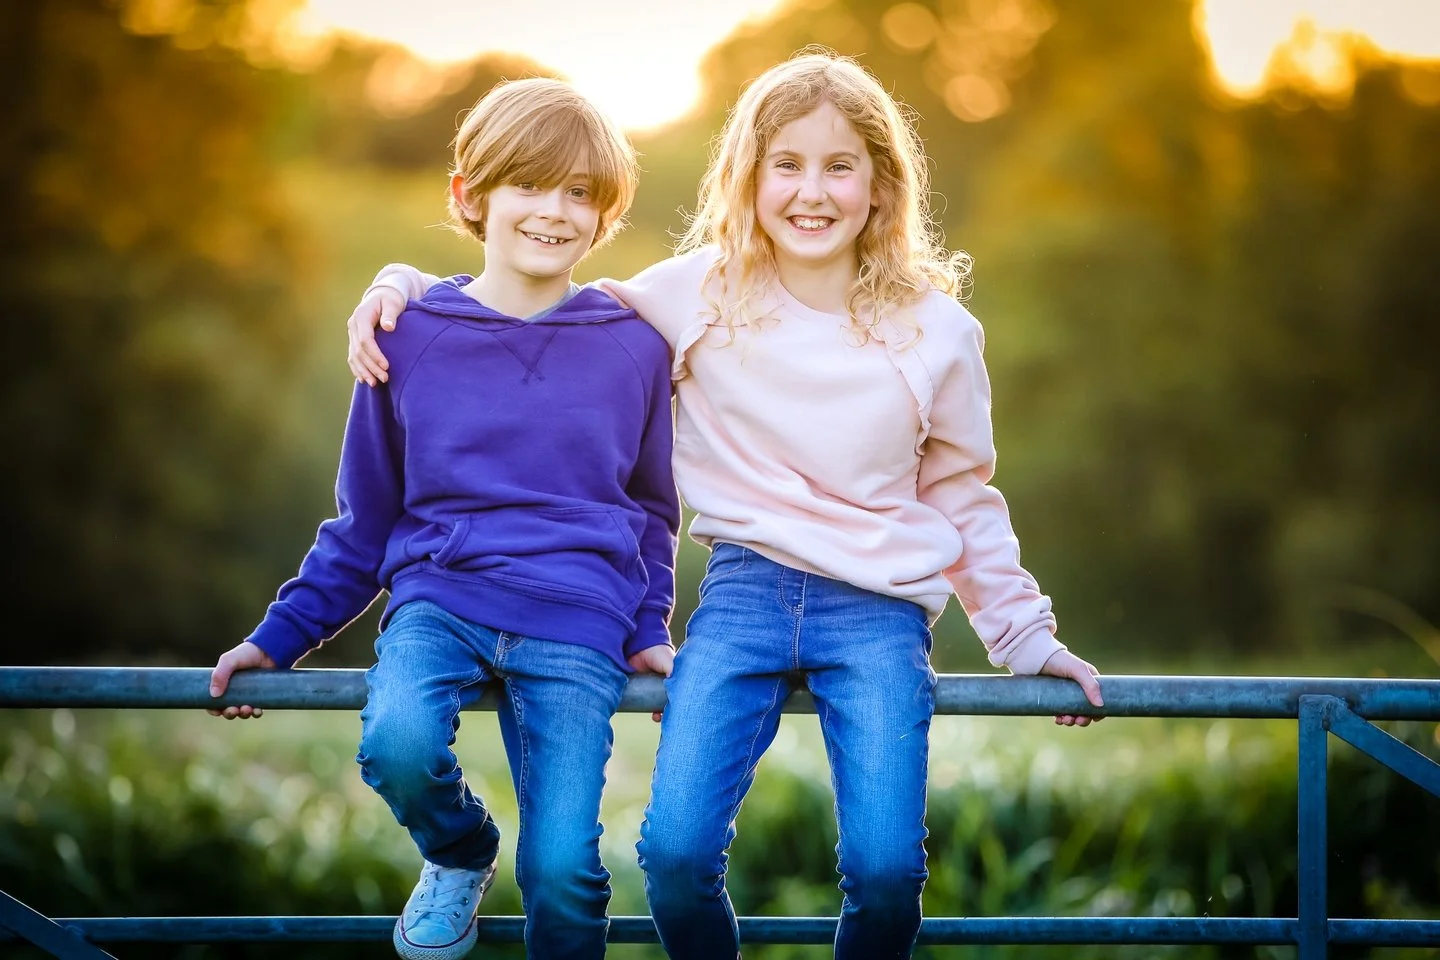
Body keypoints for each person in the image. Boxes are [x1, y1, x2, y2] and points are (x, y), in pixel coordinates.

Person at [347, 51, 1104, 960]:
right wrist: (405, 286)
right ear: (749, 178)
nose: (810, 192)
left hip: (879, 613)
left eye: (838, 166)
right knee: (671, 856)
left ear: (880, 184)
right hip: (740, 599)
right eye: (786, 165)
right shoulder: (693, 293)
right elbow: (527, 297)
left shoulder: (937, 329)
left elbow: (960, 493)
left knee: (887, 868)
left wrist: (1027, 637)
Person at [207, 77, 680, 960]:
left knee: (565, 872)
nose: (556, 211)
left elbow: (652, 510)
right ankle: (459, 852)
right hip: (440, 599)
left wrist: (650, 624)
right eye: (530, 185)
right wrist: (278, 639)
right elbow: (365, 519)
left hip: (579, 621)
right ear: (469, 195)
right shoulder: (405, 334)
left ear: (607, 214)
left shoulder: (635, 344)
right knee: (396, 742)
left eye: (581, 193)